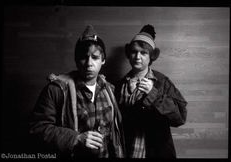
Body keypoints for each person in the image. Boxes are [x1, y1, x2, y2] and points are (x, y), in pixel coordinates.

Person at [29, 25, 124, 159]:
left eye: (95, 57)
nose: (89, 63)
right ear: (76, 60)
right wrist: (76, 138)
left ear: (103, 60)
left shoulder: (109, 90)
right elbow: (37, 128)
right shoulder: (57, 90)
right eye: (84, 57)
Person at [115, 24, 187, 158]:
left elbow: (179, 118)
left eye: (143, 53)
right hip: (127, 151)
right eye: (134, 51)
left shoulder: (162, 82)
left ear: (151, 57)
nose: (137, 56)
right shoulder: (119, 85)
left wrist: (154, 94)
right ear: (128, 54)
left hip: (157, 152)